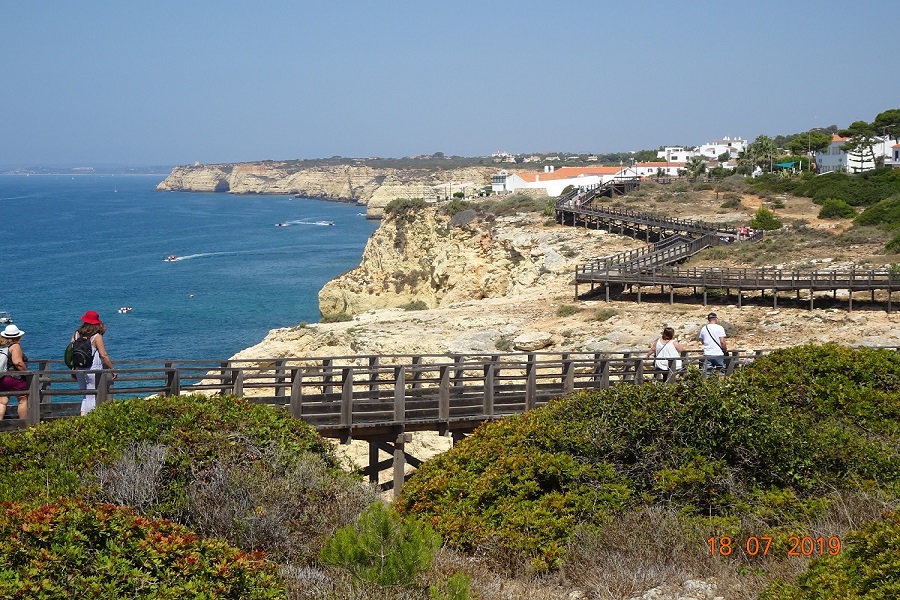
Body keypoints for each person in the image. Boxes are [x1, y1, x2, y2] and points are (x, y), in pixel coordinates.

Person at [71, 310, 116, 415]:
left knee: (85, 395)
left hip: (79, 369)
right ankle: (89, 419)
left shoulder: (76, 334)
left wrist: (73, 370)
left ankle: (82, 416)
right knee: (91, 396)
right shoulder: (97, 337)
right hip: (93, 368)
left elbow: (71, 353)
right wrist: (112, 369)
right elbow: (104, 355)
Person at [0, 324, 29, 419]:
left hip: (2, 377)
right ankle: (24, 425)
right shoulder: (15, 346)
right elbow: (18, 362)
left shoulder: (2, 346)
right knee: (22, 399)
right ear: (18, 336)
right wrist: (26, 372)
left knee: (2, 401)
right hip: (13, 377)